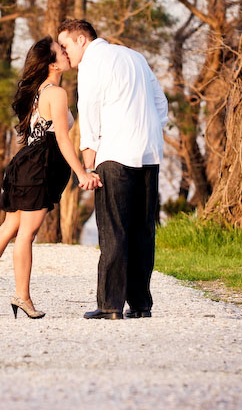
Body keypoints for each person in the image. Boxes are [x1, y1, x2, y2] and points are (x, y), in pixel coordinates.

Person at [0, 36, 102, 319]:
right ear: (52, 64)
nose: (65, 53)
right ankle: (22, 296)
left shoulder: (37, 92)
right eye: (60, 52)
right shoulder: (57, 94)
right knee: (26, 234)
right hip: (39, 167)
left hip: (24, 163)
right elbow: (62, 138)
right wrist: (81, 173)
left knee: (9, 227)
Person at [57, 19, 168, 320]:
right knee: (143, 231)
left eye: (66, 46)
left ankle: (109, 305)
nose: (65, 54)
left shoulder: (92, 63)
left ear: (82, 40)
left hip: (115, 154)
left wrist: (88, 152)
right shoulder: (135, 56)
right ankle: (141, 305)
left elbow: (89, 106)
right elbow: (161, 102)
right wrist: (151, 130)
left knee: (114, 230)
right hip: (149, 152)